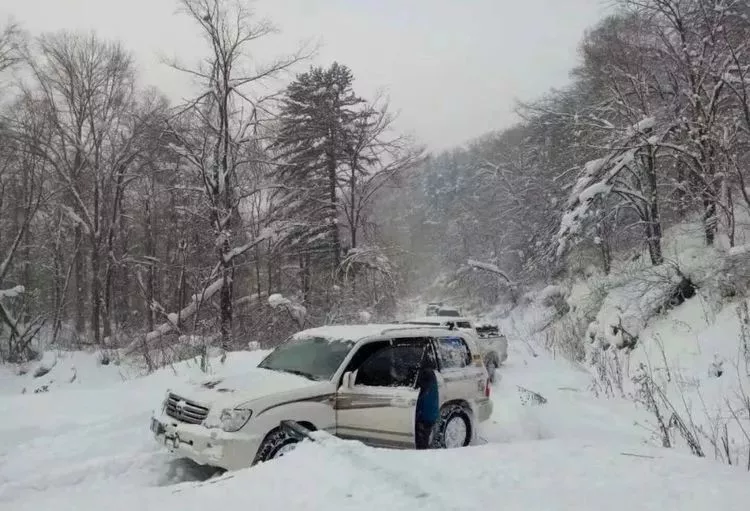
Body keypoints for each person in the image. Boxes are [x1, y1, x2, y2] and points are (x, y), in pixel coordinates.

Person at [414, 349, 439, 449]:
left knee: (422, 441)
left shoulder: (425, 375)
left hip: (425, 416)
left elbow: (421, 397)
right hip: (431, 414)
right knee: (425, 437)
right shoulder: (431, 374)